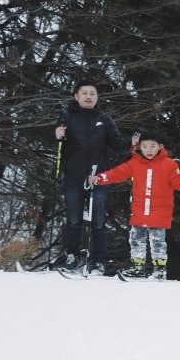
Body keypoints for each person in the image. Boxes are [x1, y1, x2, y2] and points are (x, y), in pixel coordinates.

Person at [89, 134, 180, 280]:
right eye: (145, 146)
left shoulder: (169, 164)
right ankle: (137, 267)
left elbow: (177, 183)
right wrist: (101, 178)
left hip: (160, 210)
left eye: (153, 146)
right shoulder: (134, 163)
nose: (149, 150)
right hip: (139, 209)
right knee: (135, 239)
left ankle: (160, 270)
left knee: (157, 241)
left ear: (160, 147)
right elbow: (118, 173)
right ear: (139, 147)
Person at [54, 82, 121, 271]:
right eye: (84, 93)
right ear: (76, 96)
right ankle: (72, 257)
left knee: (98, 220)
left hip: (98, 176)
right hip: (73, 176)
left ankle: (99, 261)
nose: (88, 96)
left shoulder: (105, 119)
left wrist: (135, 147)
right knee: (74, 219)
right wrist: (57, 135)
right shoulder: (66, 117)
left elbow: (117, 143)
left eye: (92, 93)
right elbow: (55, 145)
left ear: (97, 97)